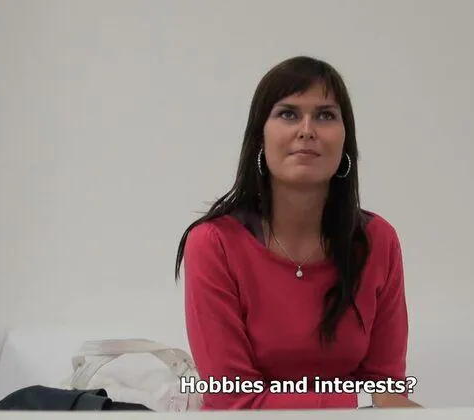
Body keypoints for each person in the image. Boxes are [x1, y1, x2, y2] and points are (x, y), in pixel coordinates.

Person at [174, 56, 420, 410]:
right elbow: (233, 399)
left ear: (345, 139)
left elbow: (388, 388)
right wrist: (363, 402)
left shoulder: (378, 240)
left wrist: (372, 402)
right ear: (260, 137)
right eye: (288, 114)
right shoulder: (214, 243)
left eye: (325, 115)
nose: (307, 130)